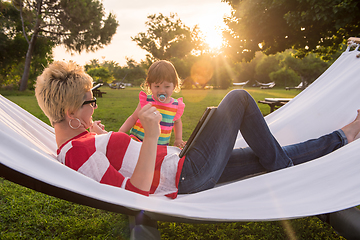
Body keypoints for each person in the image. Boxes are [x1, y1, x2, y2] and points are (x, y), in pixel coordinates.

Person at [35, 61, 360, 199]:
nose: (96, 106)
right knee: (239, 99)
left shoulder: (79, 140)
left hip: (184, 163)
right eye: (91, 101)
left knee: (271, 156)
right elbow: (136, 193)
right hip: (186, 173)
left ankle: (346, 134)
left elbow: (119, 162)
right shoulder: (78, 153)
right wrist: (149, 135)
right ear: (70, 113)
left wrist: (96, 132)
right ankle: (288, 174)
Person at [119, 60, 186, 147]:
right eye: (157, 86)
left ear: (174, 85)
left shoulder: (176, 106)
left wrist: (178, 139)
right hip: (138, 143)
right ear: (149, 85)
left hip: (159, 146)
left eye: (167, 86)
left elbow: (177, 122)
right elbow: (133, 118)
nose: (162, 90)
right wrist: (120, 132)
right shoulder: (146, 101)